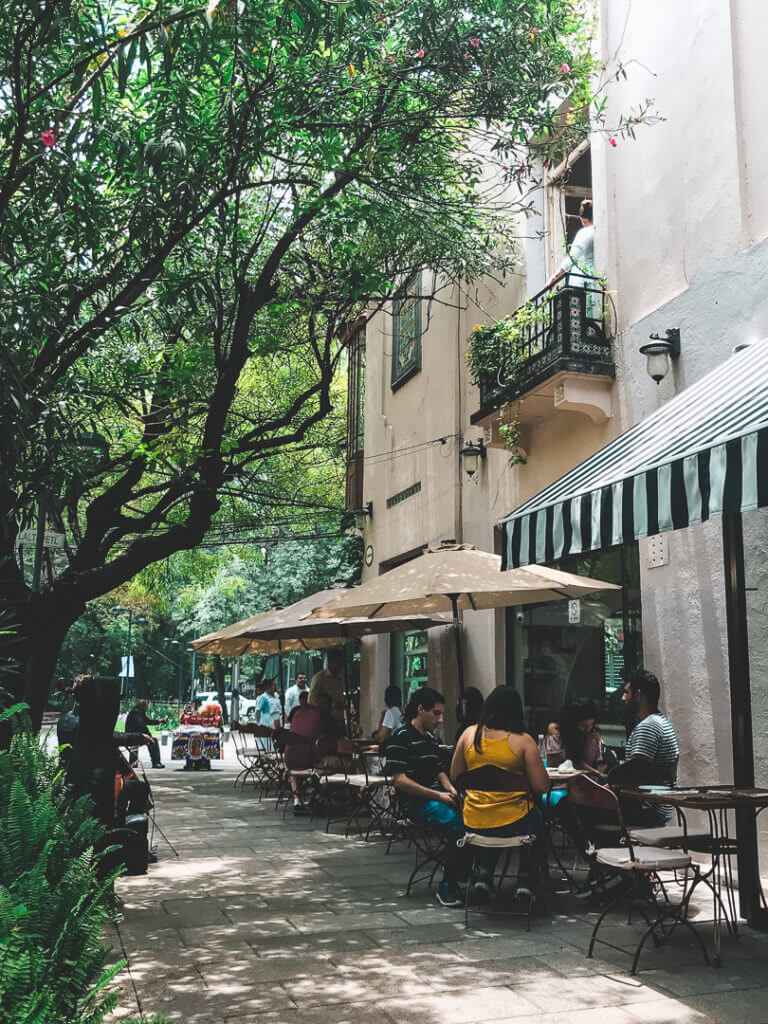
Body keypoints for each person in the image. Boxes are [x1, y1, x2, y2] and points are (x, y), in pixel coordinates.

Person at [451, 687, 549, 899]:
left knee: (493, 818)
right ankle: (525, 879)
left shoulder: (469, 735)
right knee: (536, 817)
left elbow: (455, 776)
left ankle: (484, 875)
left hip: (474, 821)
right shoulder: (524, 741)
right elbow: (541, 786)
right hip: (515, 824)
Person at [385, 686, 472, 908]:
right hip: (416, 803)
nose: (441, 719)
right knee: (457, 824)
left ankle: (472, 873)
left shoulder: (431, 739)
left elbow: (438, 769)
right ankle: (448, 885)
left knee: (479, 811)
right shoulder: (401, 736)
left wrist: (449, 788)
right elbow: (400, 780)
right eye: (436, 713)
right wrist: (439, 795)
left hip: (438, 795)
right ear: (421, 709)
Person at [284, 693, 354, 814]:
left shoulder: (298, 712)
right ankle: (325, 796)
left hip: (290, 762)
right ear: (326, 705)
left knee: (299, 761)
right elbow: (339, 739)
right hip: (312, 762)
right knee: (349, 763)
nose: (332, 709)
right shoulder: (324, 715)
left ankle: (302, 798)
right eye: (330, 706)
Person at [620, 670, 680, 783]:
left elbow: (636, 775)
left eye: (627, 692)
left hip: (648, 799)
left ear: (638, 695)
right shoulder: (659, 721)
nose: (623, 697)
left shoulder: (648, 727)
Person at [547, 198, 595, 299]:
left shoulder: (585, 233)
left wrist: (555, 276)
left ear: (584, 218)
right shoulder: (601, 232)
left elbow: (572, 257)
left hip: (583, 282)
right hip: (596, 282)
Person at [546, 698, 608, 771]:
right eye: (584, 725)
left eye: (592, 724)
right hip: (560, 777)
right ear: (573, 723)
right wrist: (598, 773)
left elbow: (595, 761)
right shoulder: (555, 729)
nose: (588, 729)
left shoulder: (591, 733)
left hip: (583, 777)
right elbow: (571, 762)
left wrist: (597, 742)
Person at [125, 698, 169, 768]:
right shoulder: (136, 713)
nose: (147, 708)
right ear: (142, 706)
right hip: (132, 736)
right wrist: (149, 736)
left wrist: (160, 721)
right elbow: (141, 726)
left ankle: (156, 762)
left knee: (152, 739)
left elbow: (148, 721)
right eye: (146, 706)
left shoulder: (139, 712)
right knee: (153, 741)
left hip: (134, 735)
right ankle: (156, 763)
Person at [308, 650, 346, 725]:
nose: (340, 667)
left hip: (340, 719)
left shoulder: (340, 678)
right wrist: (333, 705)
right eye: (338, 663)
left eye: (342, 664)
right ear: (330, 661)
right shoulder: (320, 677)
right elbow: (311, 700)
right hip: (325, 720)